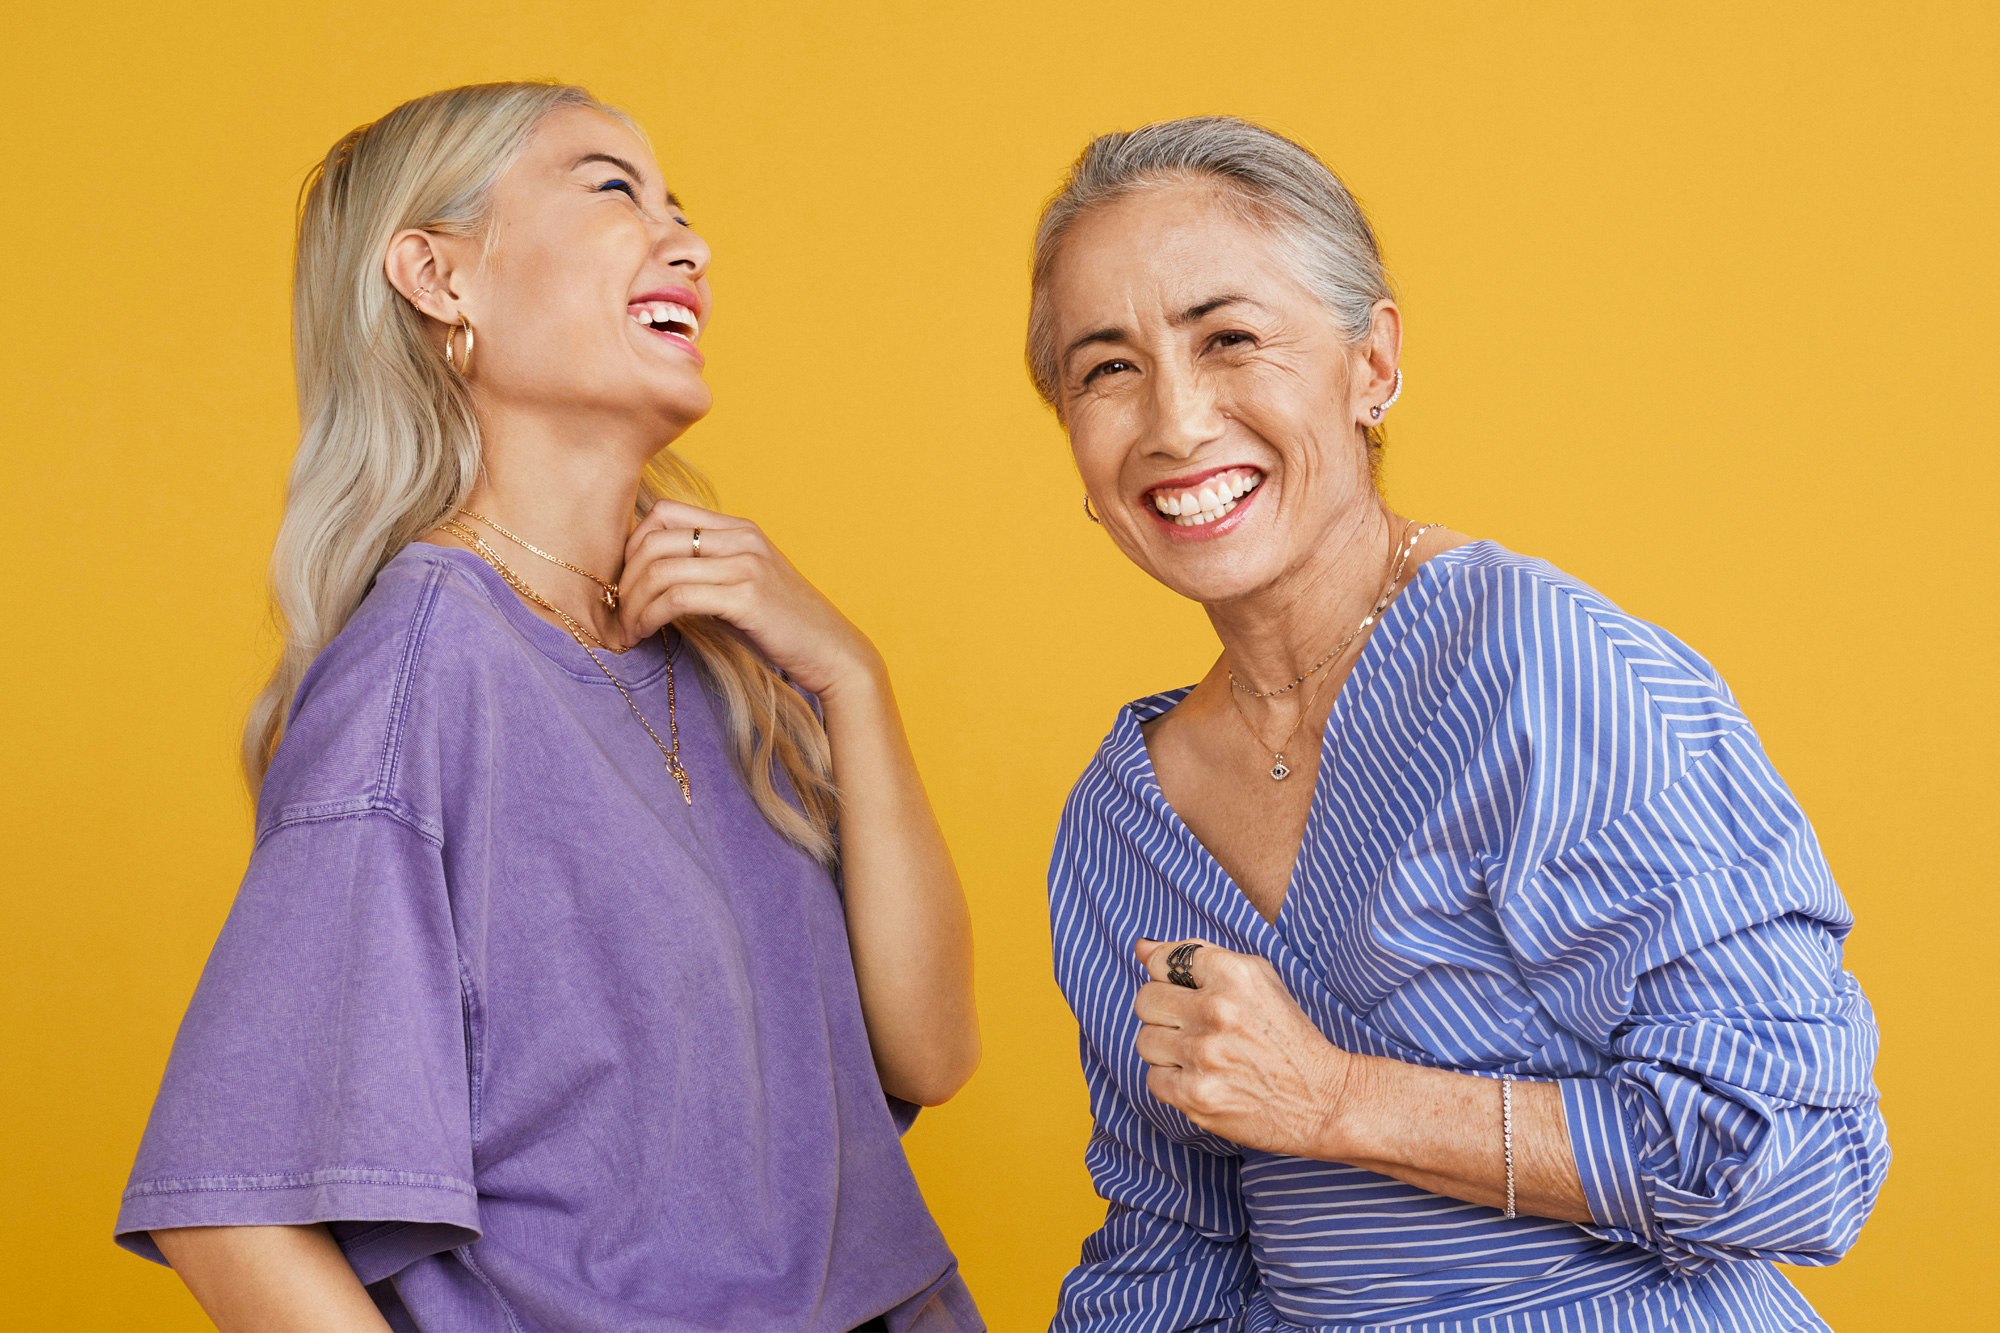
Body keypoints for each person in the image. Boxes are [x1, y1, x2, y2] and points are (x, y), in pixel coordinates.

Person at [114, 81, 981, 1333]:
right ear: (436, 274)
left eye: (681, 206)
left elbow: (930, 1051)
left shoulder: (730, 657)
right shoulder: (420, 671)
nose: (685, 240)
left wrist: (853, 675)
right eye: (612, 188)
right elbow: (230, 1207)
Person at [1031, 116, 1886, 1331]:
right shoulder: (1121, 822)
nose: (1173, 422)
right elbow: (1172, 1242)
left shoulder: (1543, 672)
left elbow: (1794, 1156)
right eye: (1104, 367)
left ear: (1370, 363)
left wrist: (1332, 1101)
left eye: (1228, 338)